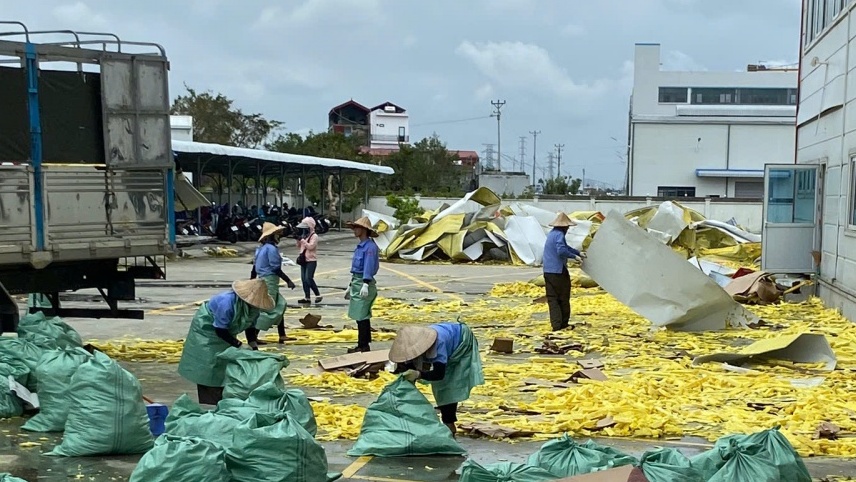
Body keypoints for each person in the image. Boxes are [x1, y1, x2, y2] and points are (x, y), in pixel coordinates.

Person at [177, 279, 274, 404]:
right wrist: (238, 344)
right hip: (207, 329)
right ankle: (210, 400)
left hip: (225, 331)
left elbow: (251, 327)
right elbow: (220, 330)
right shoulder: (227, 303)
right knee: (209, 362)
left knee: (224, 362)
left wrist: (253, 345)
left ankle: (221, 395)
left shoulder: (254, 308)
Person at [390, 322, 485, 437]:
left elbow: (439, 374)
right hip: (447, 336)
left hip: (461, 341)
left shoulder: (439, 344)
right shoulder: (412, 344)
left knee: (447, 386)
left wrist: (419, 374)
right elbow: (407, 365)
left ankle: (449, 424)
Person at [251, 222, 296, 344]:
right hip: (269, 280)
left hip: (262, 279)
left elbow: (254, 268)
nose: (279, 236)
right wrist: (288, 281)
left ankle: (282, 334)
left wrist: (252, 282)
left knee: (280, 304)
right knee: (269, 309)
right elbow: (276, 268)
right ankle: (253, 335)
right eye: (277, 234)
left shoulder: (260, 249)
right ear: (272, 235)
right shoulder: (271, 249)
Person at [542, 212, 585, 331]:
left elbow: (565, 247)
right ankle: (563, 324)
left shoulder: (552, 234)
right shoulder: (560, 235)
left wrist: (578, 252)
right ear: (565, 227)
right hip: (558, 271)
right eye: (568, 227)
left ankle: (556, 325)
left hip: (548, 271)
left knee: (552, 298)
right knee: (563, 298)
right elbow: (561, 251)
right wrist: (574, 257)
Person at [346, 216, 379, 353]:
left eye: (357, 228)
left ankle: (363, 345)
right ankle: (363, 344)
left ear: (364, 230)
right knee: (360, 316)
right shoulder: (360, 246)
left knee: (362, 316)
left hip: (364, 283)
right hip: (357, 281)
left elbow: (368, 266)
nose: (355, 230)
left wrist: (365, 283)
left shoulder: (369, 247)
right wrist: (350, 285)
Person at [295, 216, 322, 305]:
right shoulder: (304, 235)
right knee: (303, 279)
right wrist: (298, 239)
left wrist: (302, 240)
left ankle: (318, 294)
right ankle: (307, 297)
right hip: (304, 260)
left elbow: (310, 246)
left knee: (308, 278)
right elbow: (299, 246)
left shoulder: (314, 236)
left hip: (311, 260)